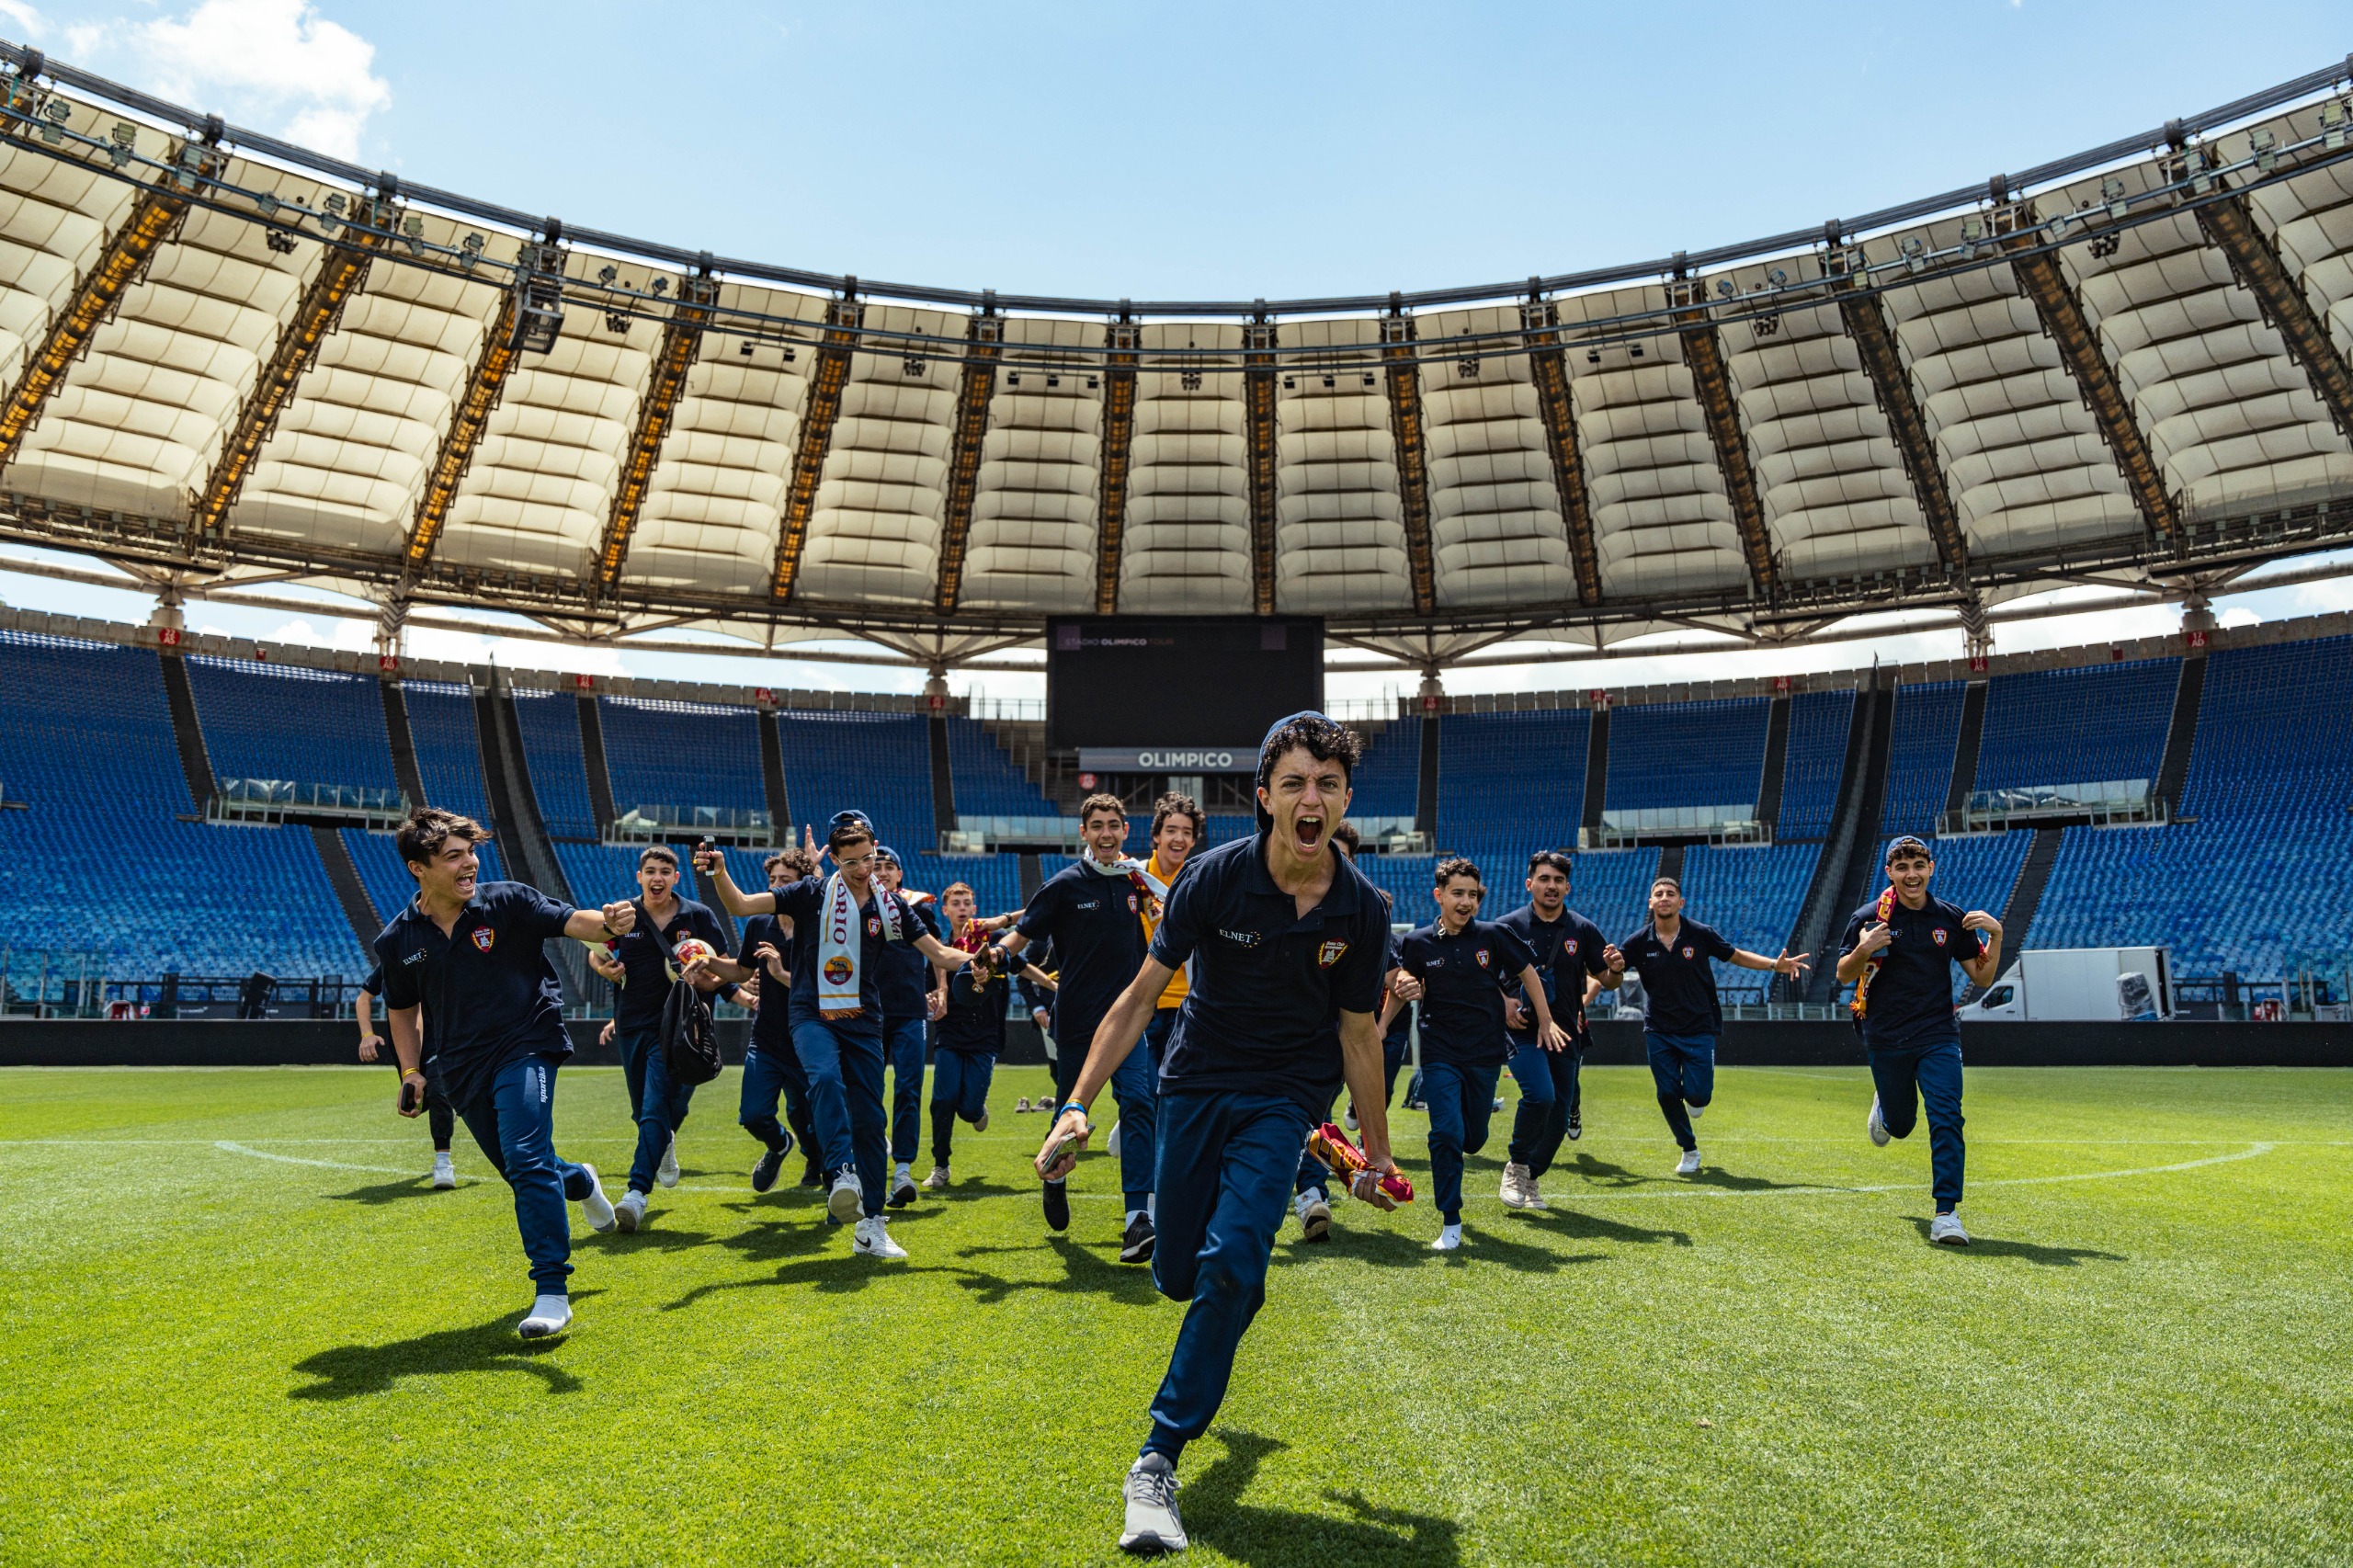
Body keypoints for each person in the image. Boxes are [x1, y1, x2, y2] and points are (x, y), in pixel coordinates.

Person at [1029, 712, 1401, 1555]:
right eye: (1296, 783)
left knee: (1234, 1262)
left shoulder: (1362, 910)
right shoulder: (1210, 879)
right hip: (1194, 1084)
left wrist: (1374, 1155)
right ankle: (1227, 1285)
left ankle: (1157, 1458)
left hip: (1283, 1101)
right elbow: (1134, 1000)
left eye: (1329, 785)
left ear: (1346, 801)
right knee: (1175, 1274)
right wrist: (1078, 1103)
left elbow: (1358, 1037)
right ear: (1266, 796)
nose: (1313, 799)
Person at [374, 807, 631, 1339]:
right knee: (526, 1167)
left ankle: (551, 1291)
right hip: (461, 1068)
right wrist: (411, 1070)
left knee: (525, 1156)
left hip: (527, 1043)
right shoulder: (398, 940)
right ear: (417, 868)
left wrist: (608, 923)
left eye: (471, 854)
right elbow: (401, 1009)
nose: (469, 865)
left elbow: (572, 922)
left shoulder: (506, 899)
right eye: (453, 857)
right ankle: (581, 1181)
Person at [697, 812, 975, 1260]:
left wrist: (981, 959)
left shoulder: (892, 906)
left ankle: (871, 1227)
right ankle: (841, 1173)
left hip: (865, 1020)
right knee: (824, 1079)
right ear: (836, 862)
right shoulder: (811, 893)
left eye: (869, 858)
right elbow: (742, 906)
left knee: (870, 1120)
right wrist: (721, 872)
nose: (864, 870)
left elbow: (939, 953)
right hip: (811, 1014)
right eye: (852, 863)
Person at [987, 793, 1162, 1263]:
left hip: (1127, 1022)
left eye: (1114, 825)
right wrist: (997, 955)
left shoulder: (1138, 882)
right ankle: (1056, 1178)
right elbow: (1021, 933)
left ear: (1126, 831)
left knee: (1142, 1102)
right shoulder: (1064, 885)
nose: (1106, 833)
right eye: (1097, 825)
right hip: (1077, 1023)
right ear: (1083, 833)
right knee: (1068, 1115)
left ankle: (1137, 1220)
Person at [1836, 835, 2003, 1246]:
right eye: (1902, 867)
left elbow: (1981, 978)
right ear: (1890, 873)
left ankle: (1947, 1213)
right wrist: (1864, 948)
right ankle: (1886, 1110)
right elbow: (1842, 974)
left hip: (1938, 1035)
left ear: (1931, 868)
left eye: (1918, 866)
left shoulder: (1951, 918)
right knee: (1904, 1125)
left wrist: (1996, 936)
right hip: (1885, 1036)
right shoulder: (1868, 917)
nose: (1912, 875)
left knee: (1947, 1115)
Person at [1397, 857, 1569, 1250]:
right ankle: (1450, 1221)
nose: (1466, 902)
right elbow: (1404, 982)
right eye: (1457, 893)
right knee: (1445, 1133)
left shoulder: (1494, 935)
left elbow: (1528, 972)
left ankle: (1468, 1140)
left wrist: (1544, 1021)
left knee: (1472, 1140)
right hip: (1439, 1052)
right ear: (1439, 896)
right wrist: (1377, 1029)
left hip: (1486, 1055)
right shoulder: (1418, 942)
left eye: (1472, 895)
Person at [1598, 876, 1808, 1176]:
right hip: (1659, 1029)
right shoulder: (1637, 942)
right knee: (1666, 1093)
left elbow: (1735, 956)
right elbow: (1613, 981)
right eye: (1659, 893)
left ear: (1680, 902)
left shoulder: (1700, 934)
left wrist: (1774, 965)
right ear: (1651, 902)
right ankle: (1689, 1149)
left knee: (1698, 1096)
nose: (1665, 898)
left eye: (1671, 893)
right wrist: (1615, 968)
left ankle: (1696, 1097)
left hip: (1699, 1027)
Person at [588, 846, 739, 1232]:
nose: (657, 877)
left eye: (665, 871)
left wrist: (713, 978)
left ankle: (635, 1194)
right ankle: (664, 1141)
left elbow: (723, 964)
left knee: (656, 1106)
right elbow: (597, 953)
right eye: (650, 871)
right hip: (631, 1023)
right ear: (639, 877)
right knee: (644, 1112)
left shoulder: (698, 916)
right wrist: (604, 968)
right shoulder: (623, 914)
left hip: (680, 1027)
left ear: (676, 878)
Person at [1291, 820, 1415, 1243]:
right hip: (1285, 1043)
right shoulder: (1283, 902)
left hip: (1341, 1040)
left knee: (1319, 1119)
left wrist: (1399, 990)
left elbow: (1391, 976)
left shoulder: (1365, 910)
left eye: (1340, 853)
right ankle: (1307, 1194)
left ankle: (1314, 1188)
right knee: (1307, 1120)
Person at [1495, 850, 1623, 1209]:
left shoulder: (1583, 929)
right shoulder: (1507, 926)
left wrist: (1616, 968)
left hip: (1565, 1032)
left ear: (1568, 886)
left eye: (1558, 881)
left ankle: (1532, 1178)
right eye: (1544, 879)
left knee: (1561, 1109)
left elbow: (1608, 981)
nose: (1551, 886)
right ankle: (1516, 1165)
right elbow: (1481, 975)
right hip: (1521, 1028)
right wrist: (1502, 1003)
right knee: (1541, 1095)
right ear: (1529, 883)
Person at [923, 882, 1050, 1187]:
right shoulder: (939, 948)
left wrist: (1053, 986)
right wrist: (931, 999)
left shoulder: (993, 942)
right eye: (956, 903)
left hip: (986, 1035)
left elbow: (1022, 967)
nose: (962, 908)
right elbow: (930, 989)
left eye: (967, 903)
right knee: (943, 1098)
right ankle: (941, 1166)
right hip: (950, 1033)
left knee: (968, 1109)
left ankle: (977, 1109)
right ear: (945, 910)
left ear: (975, 909)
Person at [737, 846, 821, 1194]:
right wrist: (708, 966)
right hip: (768, 1039)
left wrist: (778, 972)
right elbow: (740, 969)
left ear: (801, 886)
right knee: (753, 1114)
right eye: (772, 880)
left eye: (785, 881)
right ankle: (779, 1144)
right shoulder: (759, 923)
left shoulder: (819, 925)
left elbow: (820, 985)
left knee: (808, 1116)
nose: (777, 888)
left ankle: (818, 1164)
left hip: (810, 1038)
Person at [872, 846, 942, 1207]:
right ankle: (868, 1156)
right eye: (877, 865)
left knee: (909, 1088)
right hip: (865, 1014)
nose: (882, 871)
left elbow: (937, 952)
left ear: (900, 875)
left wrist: (940, 989)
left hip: (909, 1012)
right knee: (866, 1091)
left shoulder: (918, 906)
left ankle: (902, 1168)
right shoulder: (853, 905)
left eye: (889, 867)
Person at [356, 966, 457, 1187]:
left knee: (439, 1090)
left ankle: (443, 1162)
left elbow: (419, 1011)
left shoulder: (436, 953)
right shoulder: (393, 956)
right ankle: (451, 1105)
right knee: (416, 1103)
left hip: (440, 1038)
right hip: (404, 1042)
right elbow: (364, 998)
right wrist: (367, 1034)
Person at [1138, 792, 1203, 1073]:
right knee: (1141, 1091)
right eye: (1171, 830)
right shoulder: (1135, 877)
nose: (1179, 838)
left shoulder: (1200, 883)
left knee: (1172, 1091)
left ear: (1193, 840)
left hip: (1184, 1006)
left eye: (1186, 832)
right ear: (1156, 836)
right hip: (1141, 1002)